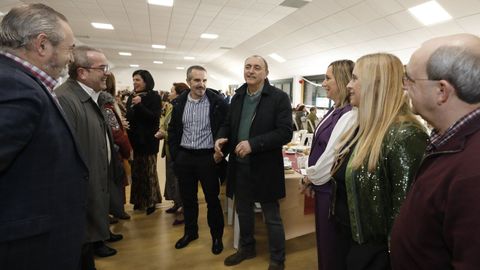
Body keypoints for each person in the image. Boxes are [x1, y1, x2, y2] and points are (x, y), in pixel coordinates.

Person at [0, 4, 88, 270]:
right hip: (26, 248)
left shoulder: (26, 83)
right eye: (69, 49)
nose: (70, 58)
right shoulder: (14, 86)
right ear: (42, 45)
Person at [330, 53, 428, 270]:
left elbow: (405, 217)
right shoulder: (366, 130)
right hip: (353, 243)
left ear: (377, 85)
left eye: (355, 78)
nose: (348, 85)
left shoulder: (405, 135)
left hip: (378, 258)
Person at [391, 34, 480, 269]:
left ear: (442, 91)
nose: (403, 86)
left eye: (409, 79)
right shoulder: (452, 140)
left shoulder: (473, 171)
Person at [215, 55, 293, 270]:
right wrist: (222, 137)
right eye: (247, 66)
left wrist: (253, 144)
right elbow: (227, 124)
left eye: (257, 67)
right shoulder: (238, 96)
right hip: (239, 166)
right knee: (243, 211)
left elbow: (285, 133)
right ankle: (246, 248)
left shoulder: (279, 98)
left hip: (265, 166)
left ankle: (278, 259)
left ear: (266, 73)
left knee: (271, 216)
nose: (251, 71)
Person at [56, 45, 116, 269]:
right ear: (82, 72)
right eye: (102, 68)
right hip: (78, 196)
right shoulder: (66, 100)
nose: (107, 73)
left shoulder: (89, 97)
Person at [300, 60, 356, 270]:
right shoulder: (335, 110)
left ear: (342, 80)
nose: (323, 83)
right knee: (324, 242)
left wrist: (309, 177)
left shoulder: (350, 113)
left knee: (331, 245)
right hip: (322, 187)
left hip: (331, 191)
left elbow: (331, 158)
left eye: (328, 78)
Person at [168, 65, 228, 255]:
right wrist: (176, 155)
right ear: (188, 82)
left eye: (204, 80)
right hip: (185, 157)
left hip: (207, 158)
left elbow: (227, 128)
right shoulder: (179, 103)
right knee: (188, 199)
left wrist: (220, 154)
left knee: (212, 199)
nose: (201, 84)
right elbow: (173, 130)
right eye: (196, 80)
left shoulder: (217, 102)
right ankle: (190, 233)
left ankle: (217, 237)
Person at [126, 69, 162, 215]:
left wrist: (140, 105)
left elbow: (154, 118)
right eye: (134, 80)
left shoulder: (154, 96)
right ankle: (138, 200)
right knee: (136, 172)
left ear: (146, 81)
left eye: (138, 80)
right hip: (134, 140)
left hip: (148, 141)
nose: (135, 83)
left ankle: (152, 201)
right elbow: (130, 115)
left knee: (149, 172)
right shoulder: (131, 96)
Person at [155, 82, 190, 225]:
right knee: (171, 179)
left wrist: (165, 134)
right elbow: (166, 124)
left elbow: (180, 132)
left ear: (179, 93)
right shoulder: (172, 107)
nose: (169, 94)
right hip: (170, 150)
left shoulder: (181, 108)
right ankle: (176, 204)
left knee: (179, 182)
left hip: (178, 151)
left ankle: (183, 210)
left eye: (172, 91)